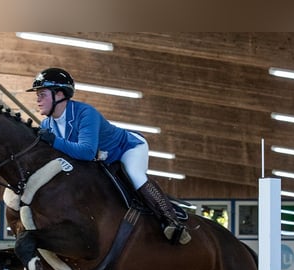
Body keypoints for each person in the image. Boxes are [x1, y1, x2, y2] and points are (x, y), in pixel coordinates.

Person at [27, 67, 191, 245]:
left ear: (58, 95)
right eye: (38, 95)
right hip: (102, 159)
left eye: (42, 94)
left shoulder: (85, 113)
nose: (38, 100)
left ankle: (172, 221)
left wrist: (53, 141)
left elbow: (86, 152)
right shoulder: (47, 124)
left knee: (134, 175)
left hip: (127, 148)